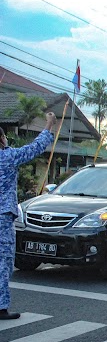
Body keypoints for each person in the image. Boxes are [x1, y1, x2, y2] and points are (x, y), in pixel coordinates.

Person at [1, 112, 57, 319]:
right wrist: (49, 124)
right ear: (2, 139)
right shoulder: (7, 157)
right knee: (3, 261)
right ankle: (0, 306)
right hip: (2, 217)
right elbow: (34, 148)